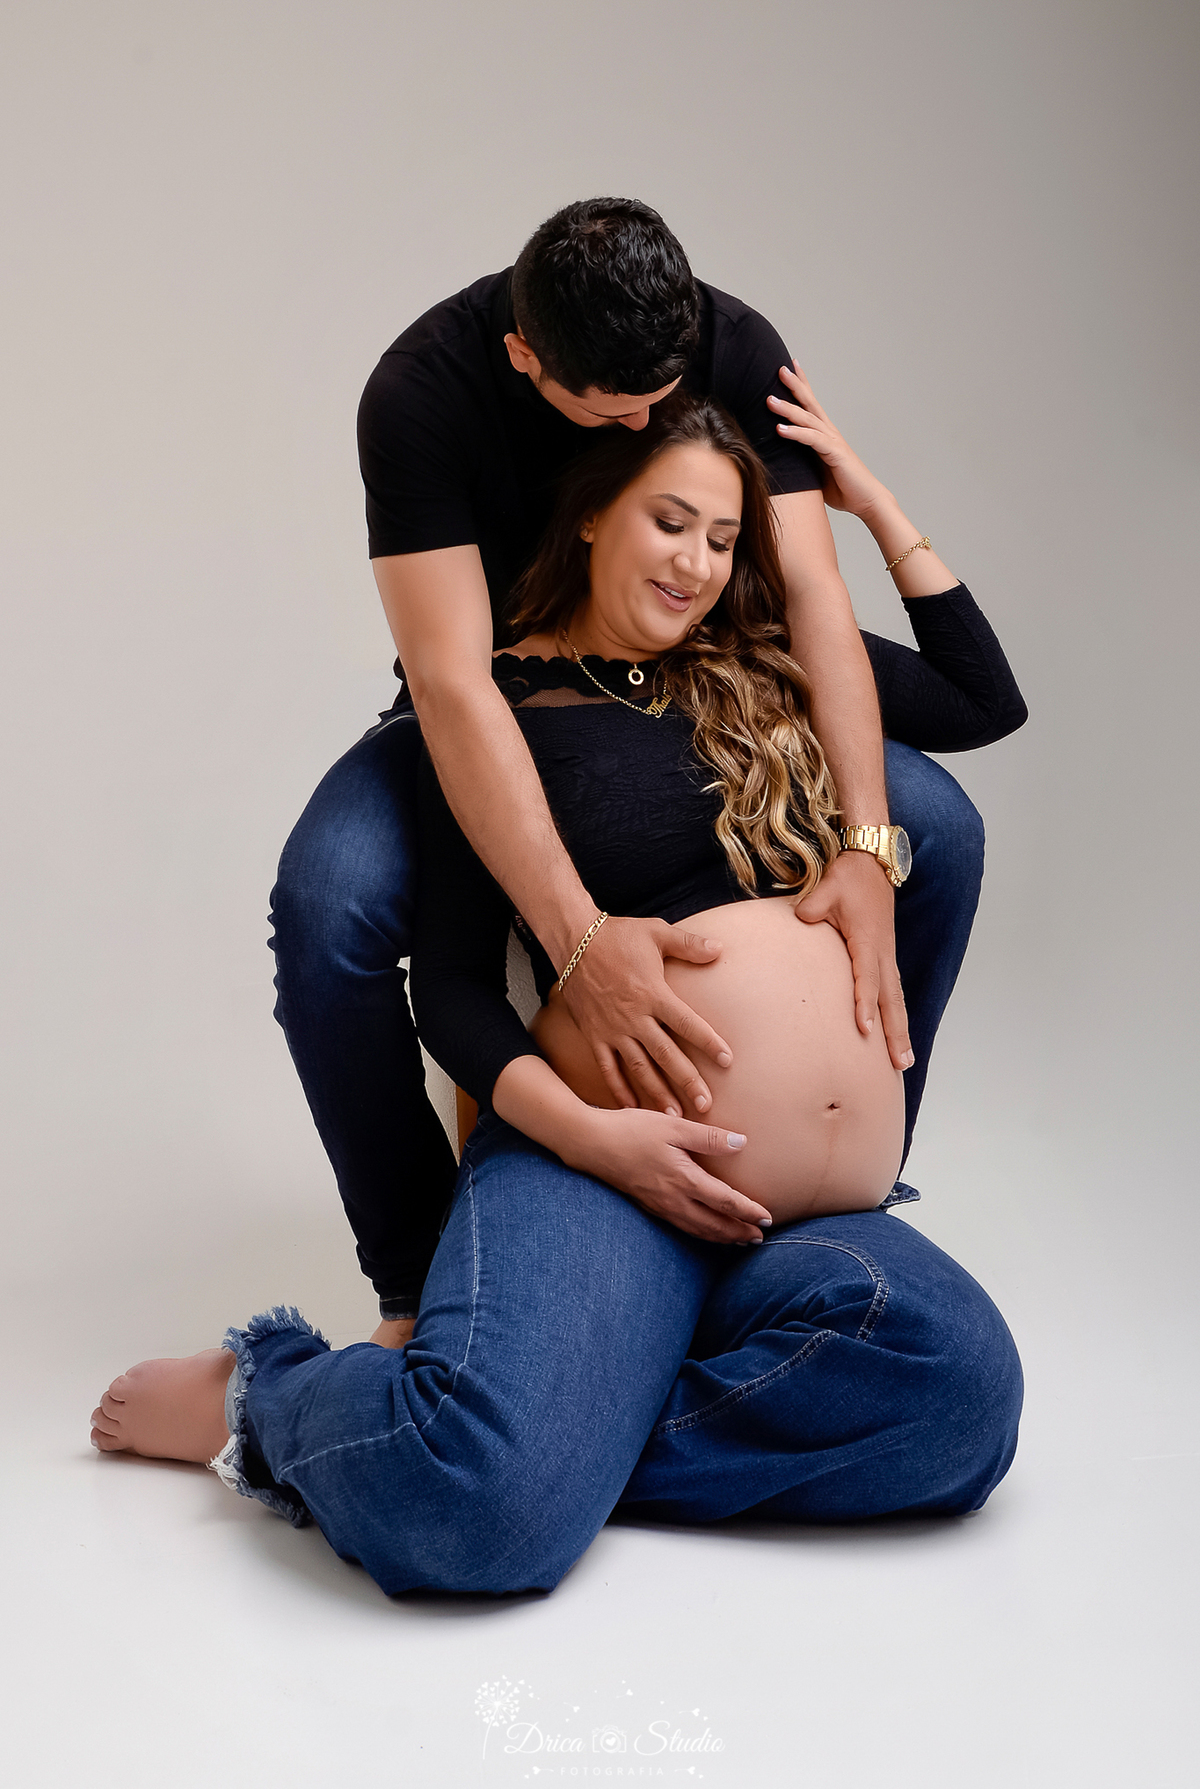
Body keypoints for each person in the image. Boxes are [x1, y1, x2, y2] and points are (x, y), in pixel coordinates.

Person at [90, 386, 1026, 1599]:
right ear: (592, 517)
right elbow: (459, 994)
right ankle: (274, 1395)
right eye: (669, 522)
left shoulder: (771, 657)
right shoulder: (500, 708)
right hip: (604, 1172)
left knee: (961, 1403)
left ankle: (532, 1428)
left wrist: (867, 502)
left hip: (787, 1220)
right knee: (476, 1522)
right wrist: (604, 1141)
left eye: (724, 539)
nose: (695, 564)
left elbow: (982, 700)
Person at [270, 197, 988, 1345]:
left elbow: (813, 600)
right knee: (328, 906)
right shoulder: (421, 396)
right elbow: (453, 681)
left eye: (664, 397)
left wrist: (862, 845)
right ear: (524, 357)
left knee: (934, 829)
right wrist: (577, 938)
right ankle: (415, 1279)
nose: (647, 423)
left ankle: (843, 1165)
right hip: (503, 697)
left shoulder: (733, 340)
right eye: (616, 411)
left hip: (685, 685)